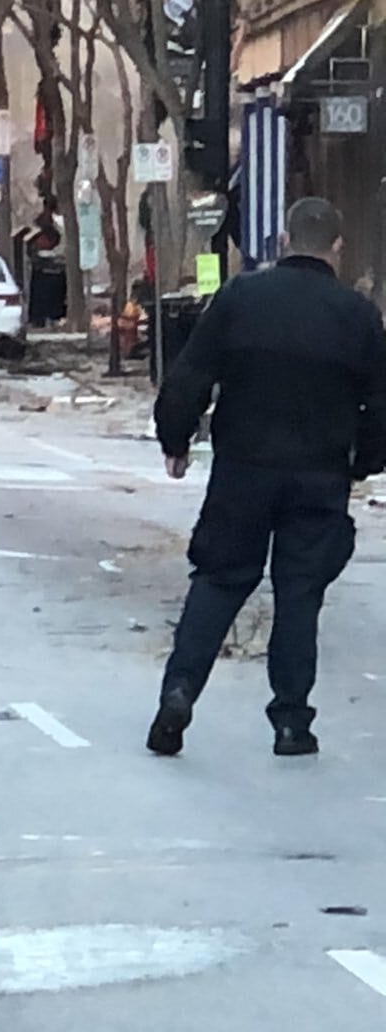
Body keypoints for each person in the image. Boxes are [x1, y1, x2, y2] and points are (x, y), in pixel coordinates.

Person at [148, 198, 386, 757]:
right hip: (319, 475)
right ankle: (291, 722)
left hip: (243, 470)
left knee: (219, 581)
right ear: (337, 248)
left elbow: (189, 376)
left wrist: (175, 439)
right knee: (300, 595)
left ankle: (180, 691)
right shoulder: (357, 316)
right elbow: (380, 405)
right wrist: (364, 462)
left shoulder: (240, 298)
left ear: (282, 241)